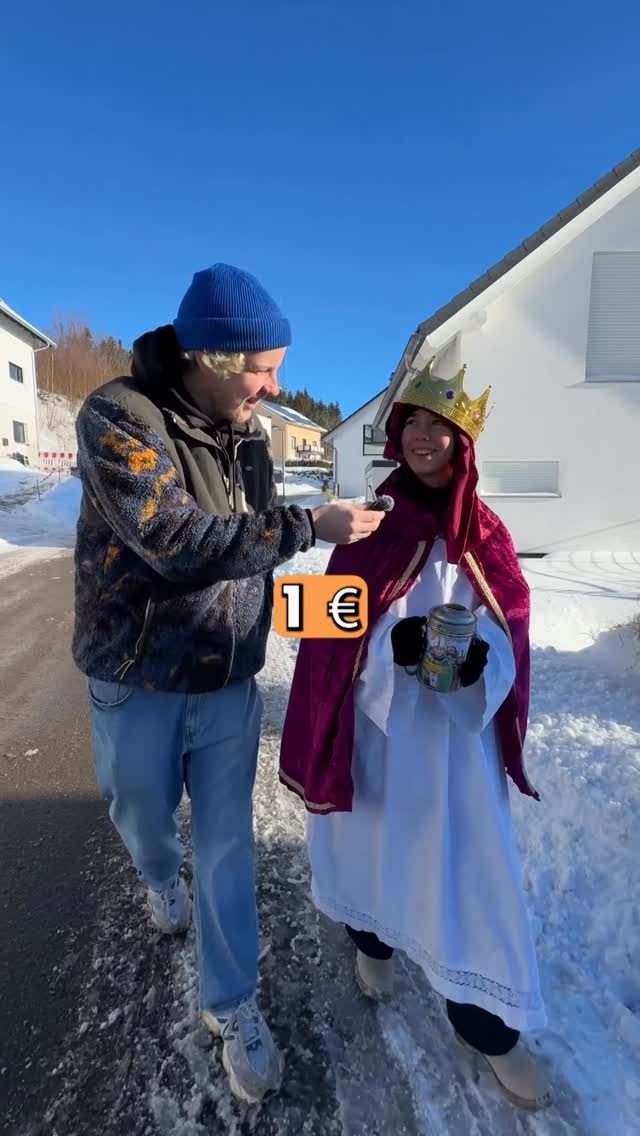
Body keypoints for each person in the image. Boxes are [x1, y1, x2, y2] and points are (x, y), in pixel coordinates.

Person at [72, 263, 384, 1104]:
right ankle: (155, 874)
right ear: (211, 358)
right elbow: (177, 540)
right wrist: (309, 526)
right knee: (140, 815)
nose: (274, 386)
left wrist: (335, 622)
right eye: (263, 369)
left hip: (225, 682)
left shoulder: (249, 438)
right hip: (136, 675)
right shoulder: (116, 417)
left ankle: (232, 1001)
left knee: (227, 846)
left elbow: (247, 552)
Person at [279, 358, 553, 1112]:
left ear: (464, 443)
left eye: (441, 426)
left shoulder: (487, 534)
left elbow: (512, 628)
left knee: (468, 877)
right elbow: (316, 622)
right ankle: (372, 944)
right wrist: (380, 647)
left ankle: (489, 1028)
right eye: (414, 424)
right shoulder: (370, 522)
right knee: (369, 845)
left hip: (454, 749)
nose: (425, 437)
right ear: (397, 435)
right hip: (376, 730)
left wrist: (477, 660)